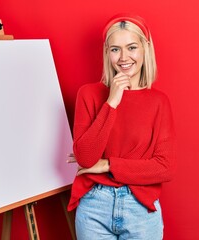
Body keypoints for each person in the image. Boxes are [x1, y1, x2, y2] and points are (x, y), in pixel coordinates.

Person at [67, 13, 176, 240]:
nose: (124, 57)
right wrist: (112, 102)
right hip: (94, 206)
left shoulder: (159, 102)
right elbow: (86, 158)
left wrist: (107, 165)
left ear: (145, 49)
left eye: (132, 47)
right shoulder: (89, 94)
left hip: (141, 208)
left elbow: (164, 168)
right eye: (115, 49)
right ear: (107, 52)